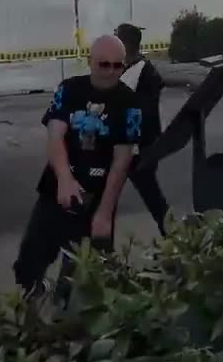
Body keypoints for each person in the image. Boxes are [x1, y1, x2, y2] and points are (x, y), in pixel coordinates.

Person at [13, 33, 141, 298]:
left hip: (97, 197)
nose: (111, 71)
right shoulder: (70, 89)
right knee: (29, 261)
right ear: (90, 61)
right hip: (56, 190)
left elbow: (122, 160)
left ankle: (65, 310)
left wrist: (105, 213)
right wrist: (64, 179)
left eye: (118, 66)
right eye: (104, 64)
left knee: (79, 277)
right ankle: (34, 294)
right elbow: (55, 135)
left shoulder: (129, 102)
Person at [116, 22, 170, 235]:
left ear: (125, 44)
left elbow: (145, 114)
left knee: (153, 198)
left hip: (136, 149)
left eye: (117, 38)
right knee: (152, 198)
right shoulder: (131, 69)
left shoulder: (142, 73)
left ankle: (175, 235)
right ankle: (174, 234)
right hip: (133, 148)